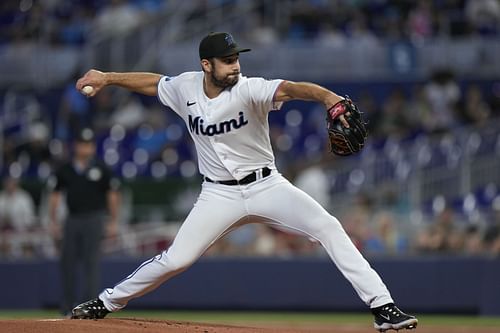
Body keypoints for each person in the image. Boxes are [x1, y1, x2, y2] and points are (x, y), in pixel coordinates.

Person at [71, 32, 418, 331]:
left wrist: (329, 98)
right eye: (226, 60)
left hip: (267, 186)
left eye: (236, 58)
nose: (235, 65)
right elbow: (151, 82)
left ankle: (382, 306)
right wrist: (107, 76)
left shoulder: (250, 89)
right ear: (207, 65)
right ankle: (107, 302)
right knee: (177, 259)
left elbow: (293, 89)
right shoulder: (185, 86)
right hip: (217, 195)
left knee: (328, 226)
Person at [48, 128, 121, 316]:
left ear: (93, 147)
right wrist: (53, 221)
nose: (86, 148)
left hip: (94, 218)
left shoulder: (101, 168)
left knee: (92, 263)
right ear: (76, 146)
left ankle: (88, 306)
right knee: (68, 262)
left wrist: (113, 221)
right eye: (82, 144)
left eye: (89, 144)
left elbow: (112, 195)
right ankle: (67, 305)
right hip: (72, 218)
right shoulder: (65, 169)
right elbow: (55, 195)